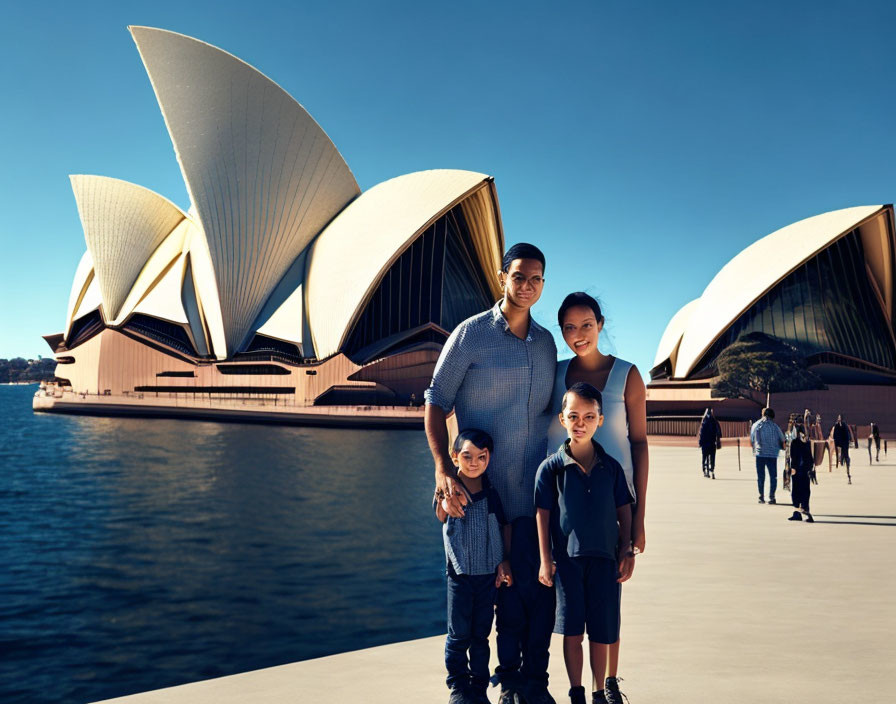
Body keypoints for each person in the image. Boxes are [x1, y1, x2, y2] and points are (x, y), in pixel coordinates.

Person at [425, 243, 557, 704]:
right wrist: (443, 469)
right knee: (473, 605)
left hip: (529, 501)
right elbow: (436, 400)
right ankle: (471, 687)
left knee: (526, 602)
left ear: (543, 284)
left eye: (536, 279)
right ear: (503, 277)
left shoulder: (545, 342)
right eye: (519, 276)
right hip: (478, 497)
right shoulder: (470, 335)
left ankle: (523, 684)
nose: (527, 286)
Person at [546, 292, 648, 701]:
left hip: (614, 503)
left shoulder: (628, 375)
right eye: (569, 327)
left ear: (601, 324)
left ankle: (608, 685)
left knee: (609, 598)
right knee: (572, 602)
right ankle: (576, 690)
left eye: (586, 325)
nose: (578, 334)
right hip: (565, 502)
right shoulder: (553, 374)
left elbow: (639, 444)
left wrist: (638, 521)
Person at [535, 383, 636, 704]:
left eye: (589, 416)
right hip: (568, 563)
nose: (581, 423)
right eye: (574, 416)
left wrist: (627, 549)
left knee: (602, 631)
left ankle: (597, 693)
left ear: (600, 420)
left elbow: (625, 511)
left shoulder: (612, 468)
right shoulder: (550, 469)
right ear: (562, 418)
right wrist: (545, 559)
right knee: (572, 630)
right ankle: (576, 691)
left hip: (606, 560)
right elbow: (543, 514)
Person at [435, 429, 513, 703]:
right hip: (459, 576)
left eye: (481, 457)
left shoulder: (492, 495)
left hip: (487, 577)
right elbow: (440, 514)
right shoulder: (451, 491)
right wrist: (446, 497)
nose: (474, 462)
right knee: (458, 635)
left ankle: (478, 687)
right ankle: (458, 687)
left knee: (481, 635)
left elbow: (505, 526)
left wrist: (504, 561)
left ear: (489, 458)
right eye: (467, 456)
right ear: (455, 457)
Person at [750, 407, 785, 504]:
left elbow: (752, 439)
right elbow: (782, 439)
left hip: (760, 454)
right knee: (773, 476)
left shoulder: (756, 425)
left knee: (761, 476)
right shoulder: (775, 426)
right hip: (772, 455)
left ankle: (761, 496)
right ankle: (772, 497)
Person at [787, 421, 815, 522]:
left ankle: (804, 512)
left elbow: (794, 457)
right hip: (801, 470)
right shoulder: (804, 443)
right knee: (799, 491)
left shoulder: (799, 443)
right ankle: (797, 513)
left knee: (801, 491)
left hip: (801, 470)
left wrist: (793, 468)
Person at [697, 407, 722, 478]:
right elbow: (719, 432)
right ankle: (712, 470)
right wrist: (718, 441)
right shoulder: (714, 421)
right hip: (712, 442)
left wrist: (700, 443)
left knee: (705, 457)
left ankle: (706, 471)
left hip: (705, 443)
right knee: (712, 457)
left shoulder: (704, 421)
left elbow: (701, 433)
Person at [829, 414, 854, 484]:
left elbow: (846, 434)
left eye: (839, 417)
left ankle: (847, 465)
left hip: (844, 443)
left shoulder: (844, 425)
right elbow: (835, 435)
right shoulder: (837, 425)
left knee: (846, 455)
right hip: (840, 442)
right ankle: (843, 460)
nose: (838, 419)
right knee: (843, 455)